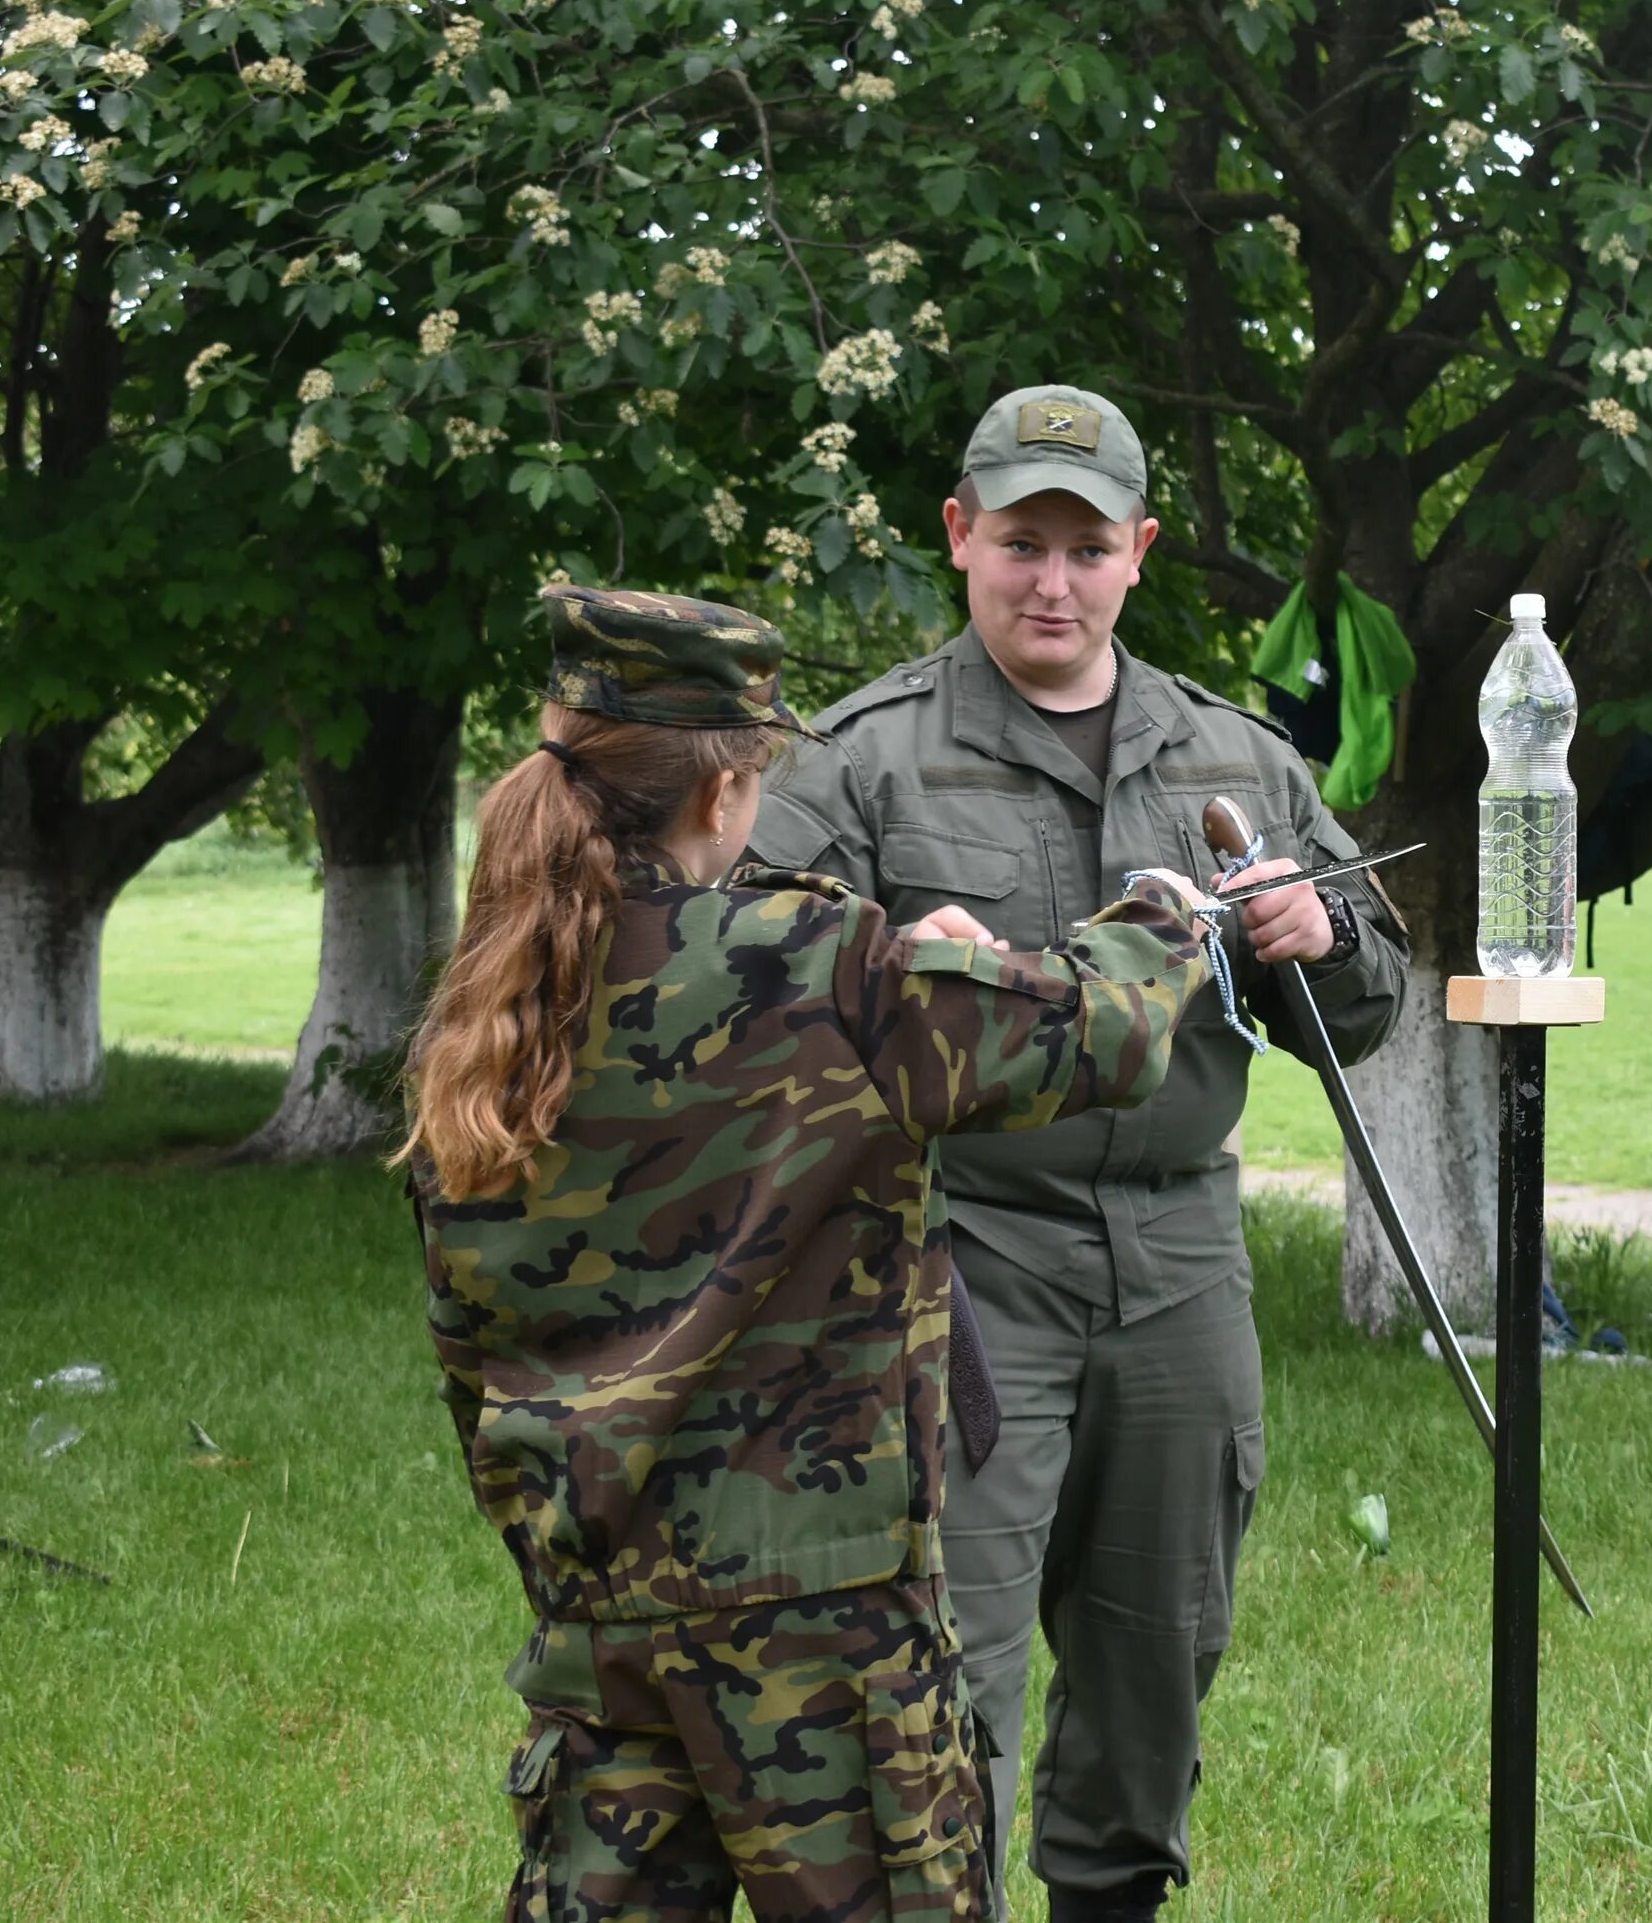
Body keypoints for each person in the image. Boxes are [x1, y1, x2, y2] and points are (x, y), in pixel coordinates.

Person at [403, 583, 1214, 1923]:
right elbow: (1108, 1028)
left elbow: (468, 1352)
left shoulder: (489, 1013)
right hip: (830, 1644)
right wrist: (1165, 916)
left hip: (602, 1623)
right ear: (727, 796)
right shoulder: (828, 969)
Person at [746, 385, 1411, 1921]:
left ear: (1139, 555)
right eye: (1022, 541)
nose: (1052, 578)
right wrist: (889, 970)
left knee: (1158, 1644)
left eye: (1087, 546)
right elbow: (741, 1001)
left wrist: (1322, 936)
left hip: (1181, 1261)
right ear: (960, 537)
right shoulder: (861, 763)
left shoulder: (1232, 757)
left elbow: (1359, 1011)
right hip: (954, 1264)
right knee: (943, 1659)